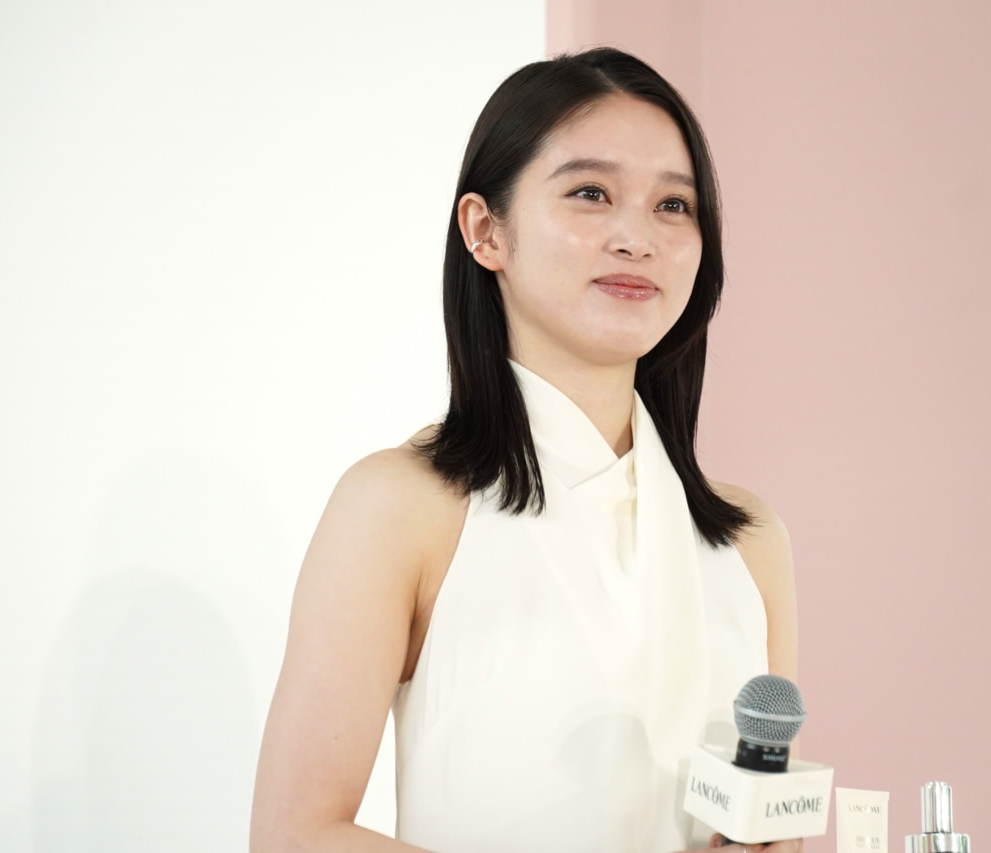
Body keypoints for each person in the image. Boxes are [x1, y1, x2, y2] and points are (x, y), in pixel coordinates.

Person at [250, 47, 800, 853]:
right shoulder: (400, 505)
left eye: (673, 205)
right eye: (590, 193)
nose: (637, 237)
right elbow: (294, 834)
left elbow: (768, 816)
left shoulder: (751, 540)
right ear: (486, 231)